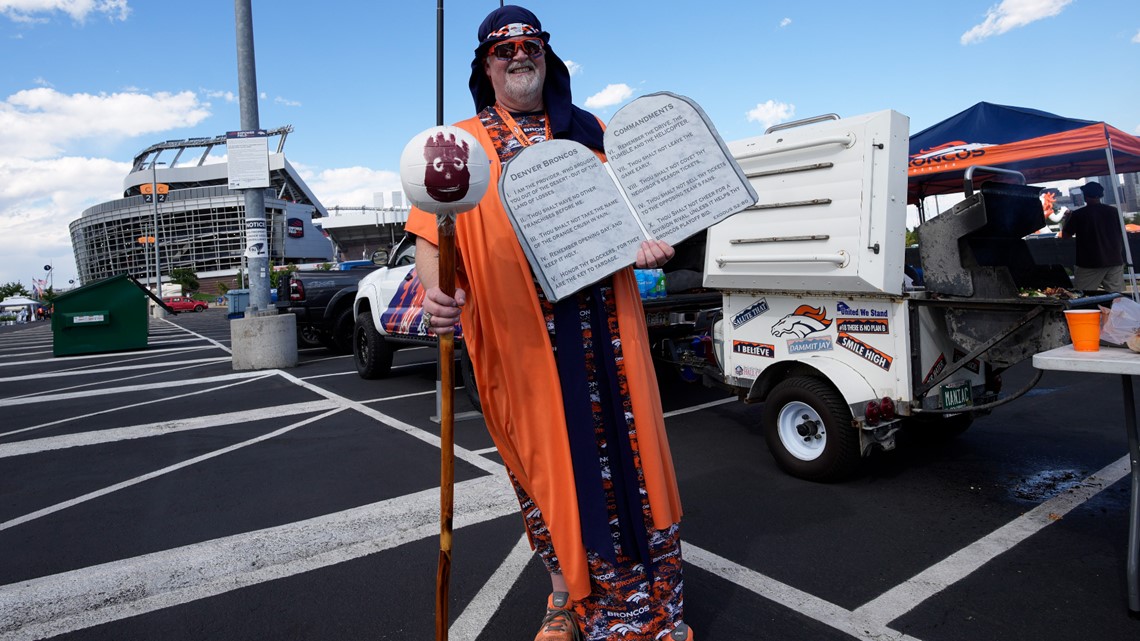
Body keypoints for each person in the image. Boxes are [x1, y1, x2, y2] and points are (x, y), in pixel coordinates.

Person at [406, 6, 692, 641]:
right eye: (503, 49)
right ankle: (565, 596)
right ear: (486, 66)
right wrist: (436, 293)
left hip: (606, 333)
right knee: (542, 465)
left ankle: (652, 600)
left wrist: (651, 241)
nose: (518, 55)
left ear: (546, 55)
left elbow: (638, 217)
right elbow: (432, 233)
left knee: (633, 463)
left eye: (529, 44)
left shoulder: (591, 135)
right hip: (518, 340)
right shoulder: (458, 145)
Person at [1062, 181, 1125, 293]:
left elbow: (1065, 235)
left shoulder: (1079, 214)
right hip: (1114, 259)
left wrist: (1066, 219)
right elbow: (1122, 232)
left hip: (1089, 263)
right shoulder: (1114, 211)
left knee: (1083, 297)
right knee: (1116, 298)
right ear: (1101, 195)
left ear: (1085, 196)